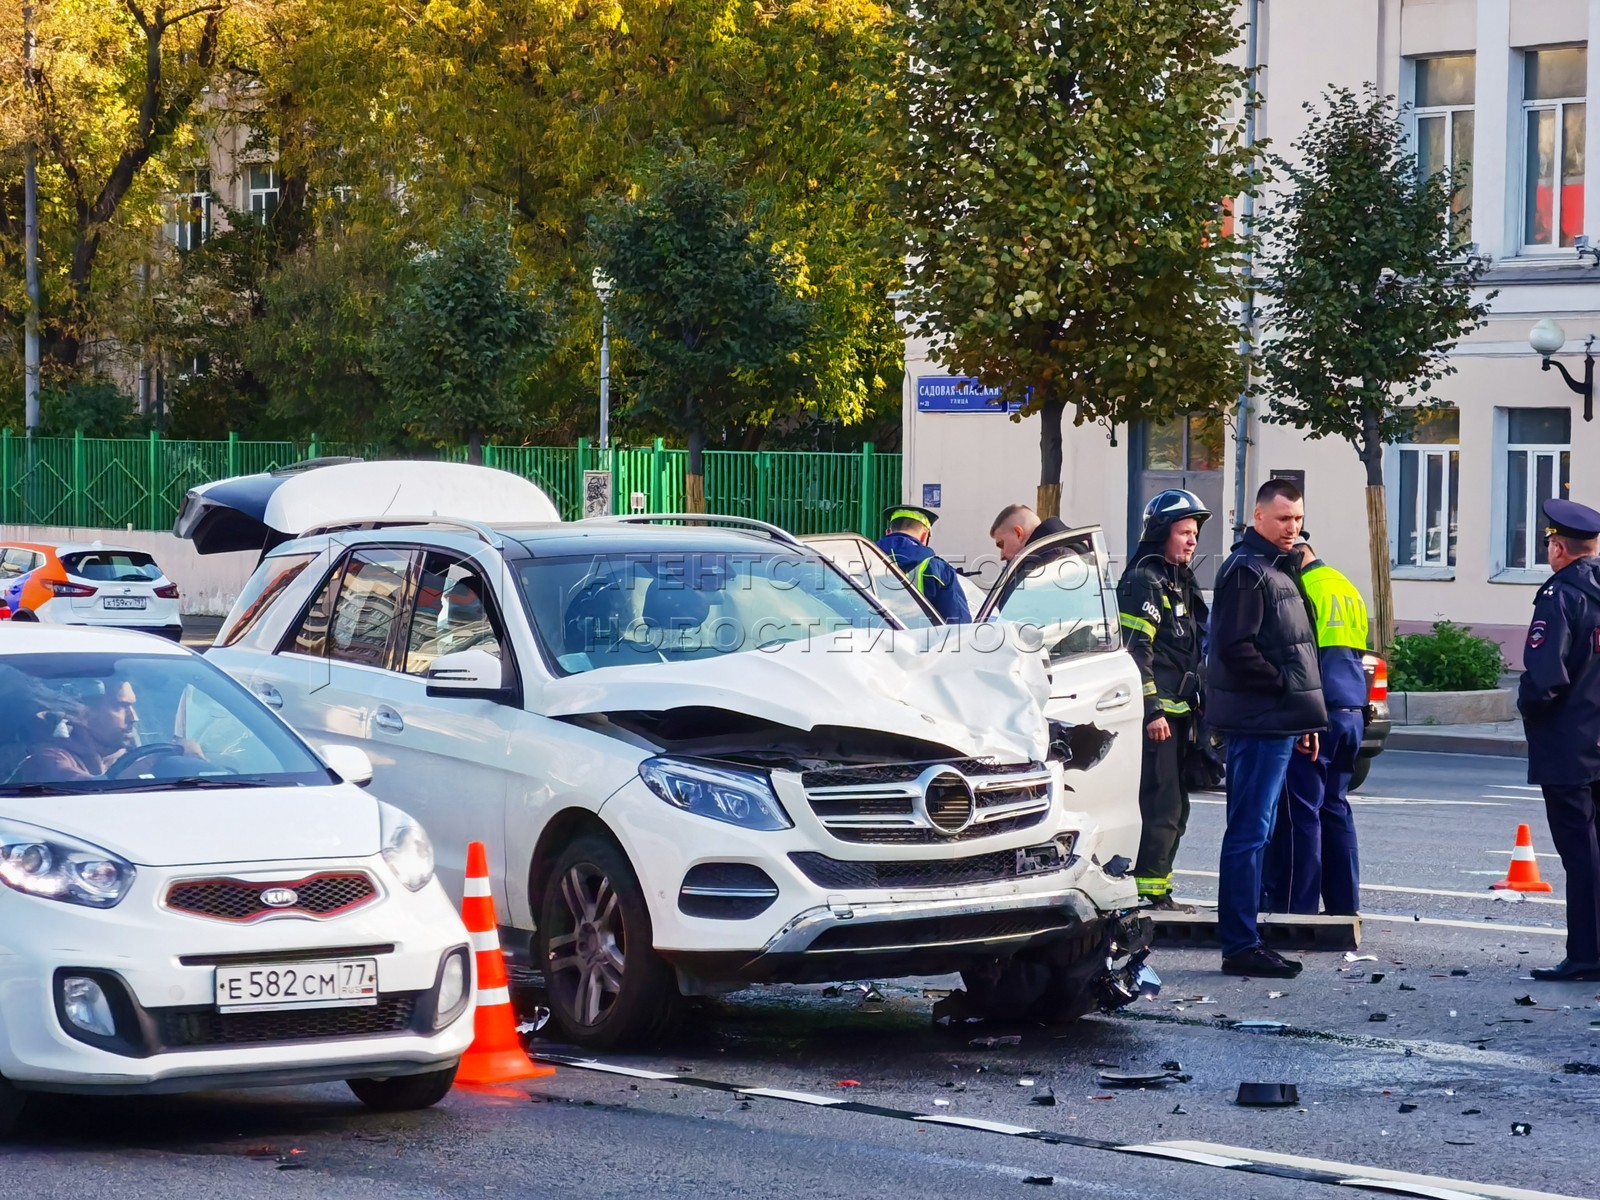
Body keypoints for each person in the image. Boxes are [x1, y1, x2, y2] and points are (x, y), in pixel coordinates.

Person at [1206, 478, 1327, 978]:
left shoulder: (1276, 568)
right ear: (1257, 518)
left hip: (1277, 721)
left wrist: (1300, 715)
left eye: (1297, 519)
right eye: (1283, 519)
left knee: (1260, 831)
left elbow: (1291, 644)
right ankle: (1239, 944)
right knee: (1249, 833)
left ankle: (1247, 936)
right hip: (1257, 723)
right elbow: (1236, 646)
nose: (1292, 528)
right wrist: (1283, 690)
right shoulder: (1247, 571)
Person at [1517, 497, 1600, 982]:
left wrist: (1527, 705)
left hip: (1569, 747)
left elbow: (1546, 677)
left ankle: (1586, 955)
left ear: (1558, 547)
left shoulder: (1561, 596)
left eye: (1550, 541)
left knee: (1580, 854)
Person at [1117, 489, 1211, 912]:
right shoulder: (1144, 580)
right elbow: (1137, 653)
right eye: (1183, 532)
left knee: (1177, 806)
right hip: (1157, 717)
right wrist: (1152, 709)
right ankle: (1145, 893)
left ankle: (1157, 888)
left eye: (1194, 533)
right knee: (1162, 805)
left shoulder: (1179, 582)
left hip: (1181, 713)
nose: (1192, 541)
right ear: (1161, 533)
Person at [1263, 535, 1366, 917]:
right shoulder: (1344, 585)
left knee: (1300, 813)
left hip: (1318, 712)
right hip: (1352, 710)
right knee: (1335, 808)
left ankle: (1297, 909)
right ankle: (1344, 906)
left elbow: (1300, 658)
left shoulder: (1299, 588)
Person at [15, 677, 141, 782]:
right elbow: (70, 780)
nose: (134, 718)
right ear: (86, 712)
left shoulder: (133, 754)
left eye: (132, 706)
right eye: (120, 706)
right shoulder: (49, 757)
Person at [877, 504, 972, 623]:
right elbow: (959, 625)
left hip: (866, 639)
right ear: (924, 536)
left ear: (888, 532)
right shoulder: (939, 570)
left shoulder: (862, 560)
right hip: (922, 640)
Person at [991, 503, 1069, 563]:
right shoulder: (1069, 547)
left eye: (1001, 545)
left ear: (1018, 534)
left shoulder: (1047, 562)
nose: (1002, 556)